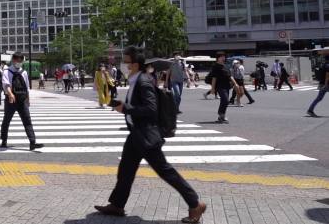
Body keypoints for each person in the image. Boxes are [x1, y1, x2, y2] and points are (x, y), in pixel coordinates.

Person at [95, 46, 206, 223]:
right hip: (137, 134)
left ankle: (195, 204)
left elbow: (150, 109)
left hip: (146, 135)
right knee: (126, 170)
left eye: (127, 60)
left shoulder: (143, 81)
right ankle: (117, 205)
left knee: (165, 171)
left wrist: (126, 108)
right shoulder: (136, 80)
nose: (124, 64)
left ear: (136, 63)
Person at [0, 52, 44, 151]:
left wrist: (28, 99)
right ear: (13, 60)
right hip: (11, 100)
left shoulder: (24, 72)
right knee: (6, 120)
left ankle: (32, 142)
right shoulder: (7, 71)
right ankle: (4, 140)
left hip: (22, 100)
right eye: (17, 60)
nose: (19, 62)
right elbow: (6, 85)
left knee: (27, 120)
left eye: (21, 61)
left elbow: (26, 87)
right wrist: (10, 94)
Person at [209, 52, 242, 123]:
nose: (223, 58)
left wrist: (235, 84)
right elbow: (214, 78)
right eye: (222, 57)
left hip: (227, 86)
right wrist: (212, 88)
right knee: (225, 100)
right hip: (219, 86)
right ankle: (221, 114)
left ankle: (222, 116)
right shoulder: (215, 66)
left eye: (224, 56)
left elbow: (230, 76)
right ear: (218, 58)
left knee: (224, 101)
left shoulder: (226, 66)